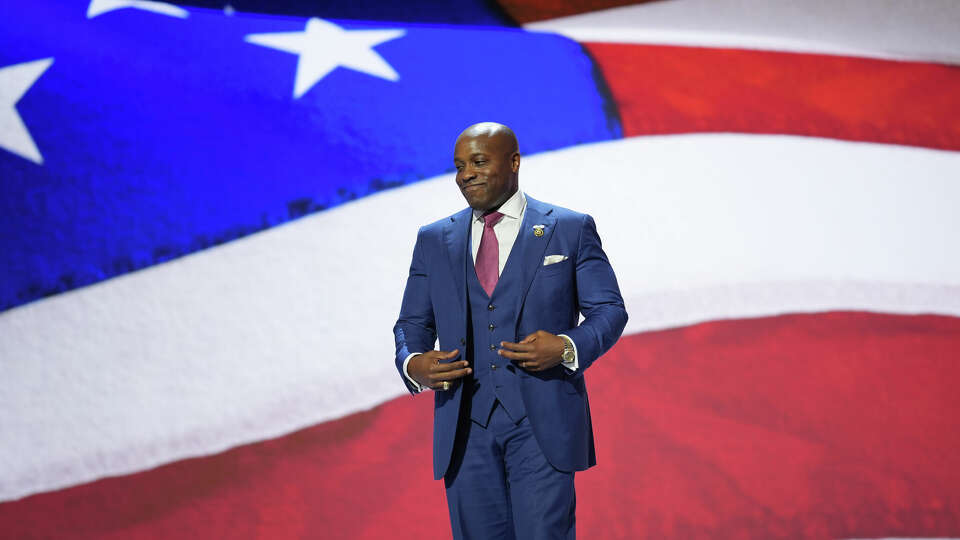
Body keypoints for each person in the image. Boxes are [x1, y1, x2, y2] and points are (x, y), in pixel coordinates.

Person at [393, 122, 627, 539]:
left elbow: (609, 310)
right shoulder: (433, 239)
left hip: (542, 425)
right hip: (464, 428)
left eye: (479, 161)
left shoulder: (569, 228)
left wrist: (567, 345)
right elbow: (412, 324)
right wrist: (414, 363)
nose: (466, 174)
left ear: (514, 162)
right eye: (460, 166)